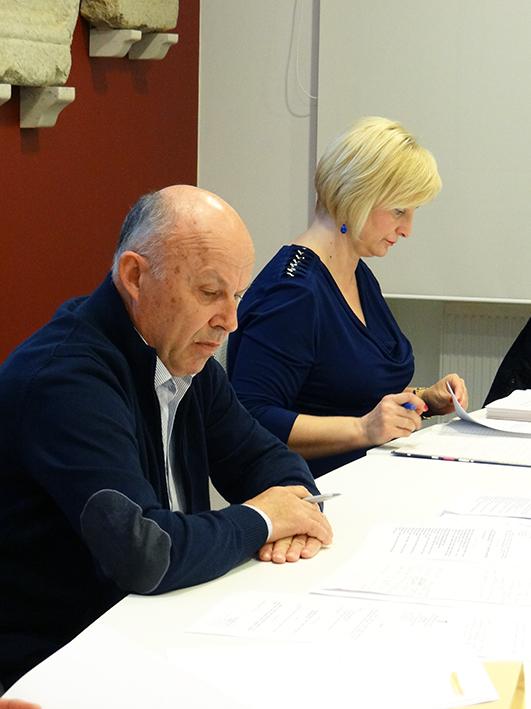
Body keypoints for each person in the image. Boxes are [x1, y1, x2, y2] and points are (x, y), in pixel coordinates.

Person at [0, 186, 333, 690]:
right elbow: (145, 553)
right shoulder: (65, 380)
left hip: (152, 632)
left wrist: (294, 511)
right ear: (135, 276)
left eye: (237, 296)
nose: (230, 321)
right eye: (210, 292)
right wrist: (265, 519)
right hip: (56, 666)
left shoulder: (183, 355)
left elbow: (265, 460)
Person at [228, 117, 468, 478]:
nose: (407, 230)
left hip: (363, 477)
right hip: (309, 491)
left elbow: (342, 391)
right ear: (357, 197)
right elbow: (250, 418)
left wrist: (423, 399)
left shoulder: (357, 274)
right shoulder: (292, 294)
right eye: (399, 211)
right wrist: (363, 429)